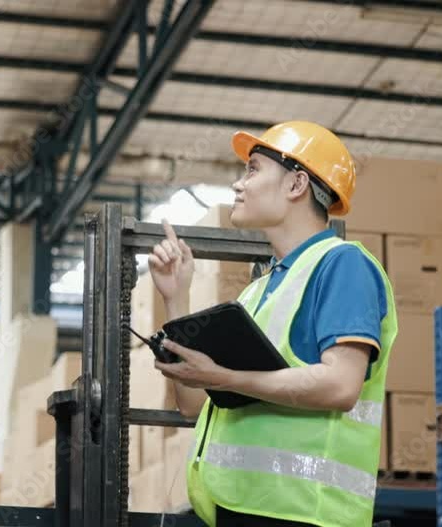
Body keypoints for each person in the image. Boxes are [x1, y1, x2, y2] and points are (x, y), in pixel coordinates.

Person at [147, 121, 398, 527]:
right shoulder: (257, 292)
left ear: (297, 184)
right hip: (239, 510)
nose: (238, 184)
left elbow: (340, 386)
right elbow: (194, 405)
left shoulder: (344, 265)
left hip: (304, 513)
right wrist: (177, 296)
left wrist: (226, 377)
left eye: (253, 169)